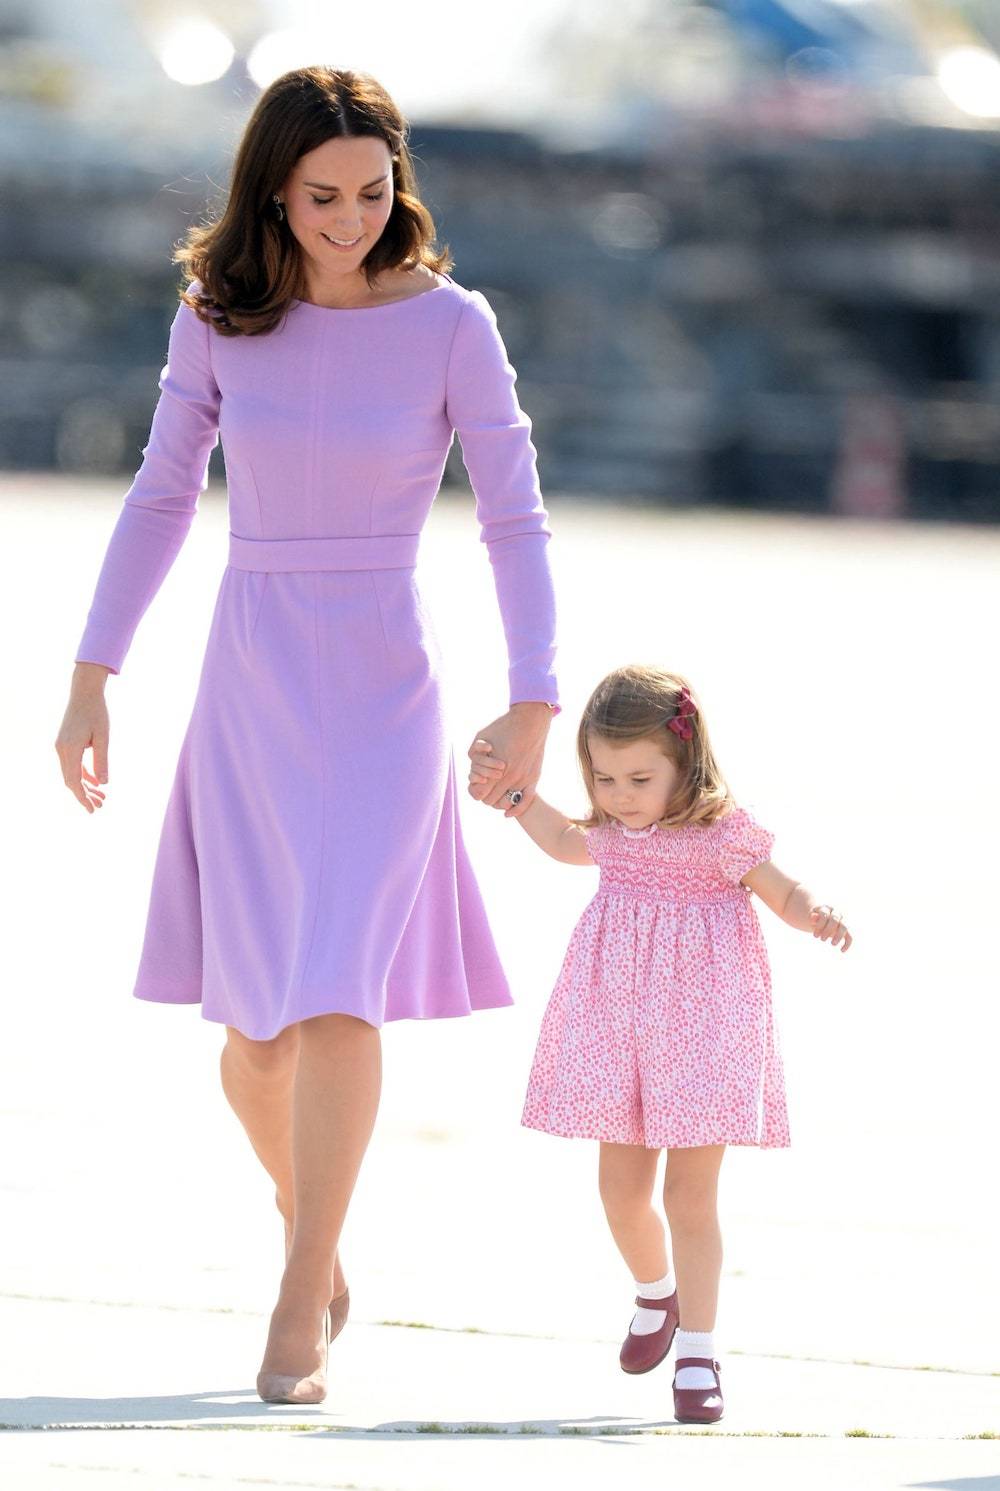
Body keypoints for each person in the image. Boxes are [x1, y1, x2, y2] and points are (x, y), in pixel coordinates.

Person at [54, 67, 560, 1406]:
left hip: (389, 680)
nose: (350, 218)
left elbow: (514, 513)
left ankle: (296, 1292)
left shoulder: (453, 324)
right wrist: (92, 668)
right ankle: (314, 1225)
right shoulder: (220, 320)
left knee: (342, 988)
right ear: (273, 191)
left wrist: (534, 693)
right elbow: (164, 494)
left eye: (374, 191)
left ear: (402, 183)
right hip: (253, 675)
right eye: (322, 196)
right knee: (255, 1032)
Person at [468, 663, 851, 1424]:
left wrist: (814, 911)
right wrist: (511, 791)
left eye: (640, 776)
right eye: (605, 778)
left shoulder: (720, 834)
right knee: (620, 1192)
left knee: (689, 1197)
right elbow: (560, 838)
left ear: (687, 761)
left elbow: (778, 888)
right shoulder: (611, 834)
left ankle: (700, 1349)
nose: (621, 795)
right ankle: (656, 1292)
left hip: (707, 1030)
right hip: (617, 1026)